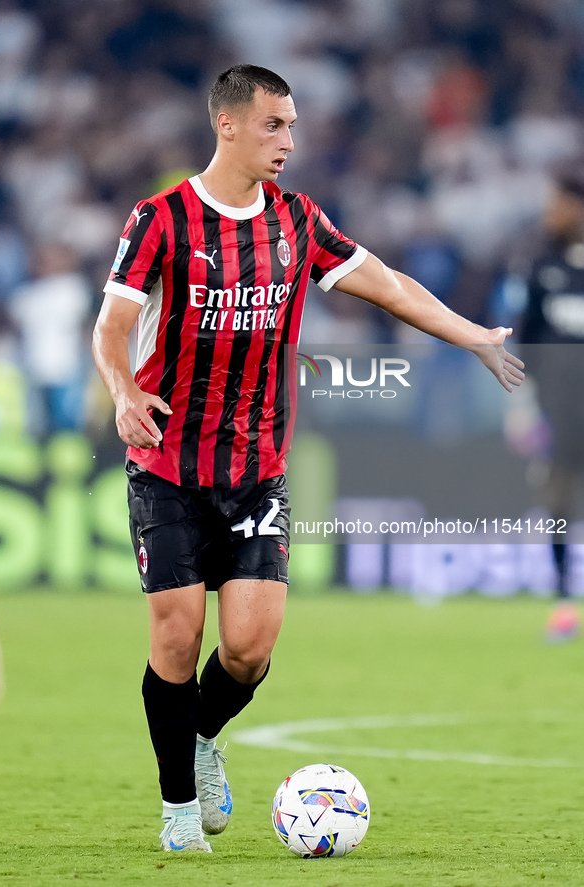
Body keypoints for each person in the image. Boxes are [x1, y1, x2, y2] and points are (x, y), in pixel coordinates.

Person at [92, 64, 524, 854]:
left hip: (256, 466)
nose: (288, 141)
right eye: (273, 125)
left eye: (291, 126)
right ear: (227, 124)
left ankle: (200, 736)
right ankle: (180, 813)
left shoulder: (297, 220)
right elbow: (111, 325)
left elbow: (387, 285)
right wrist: (122, 393)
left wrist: (469, 335)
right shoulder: (160, 219)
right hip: (167, 464)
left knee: (249, 649)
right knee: (177, 638)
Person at [514, 166, 584, 601]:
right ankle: (562, 592)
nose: (549, 212)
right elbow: (528, 339)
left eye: (557, 203)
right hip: (559, 409)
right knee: (557, 494)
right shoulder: (543, 267)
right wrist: (525, 405)